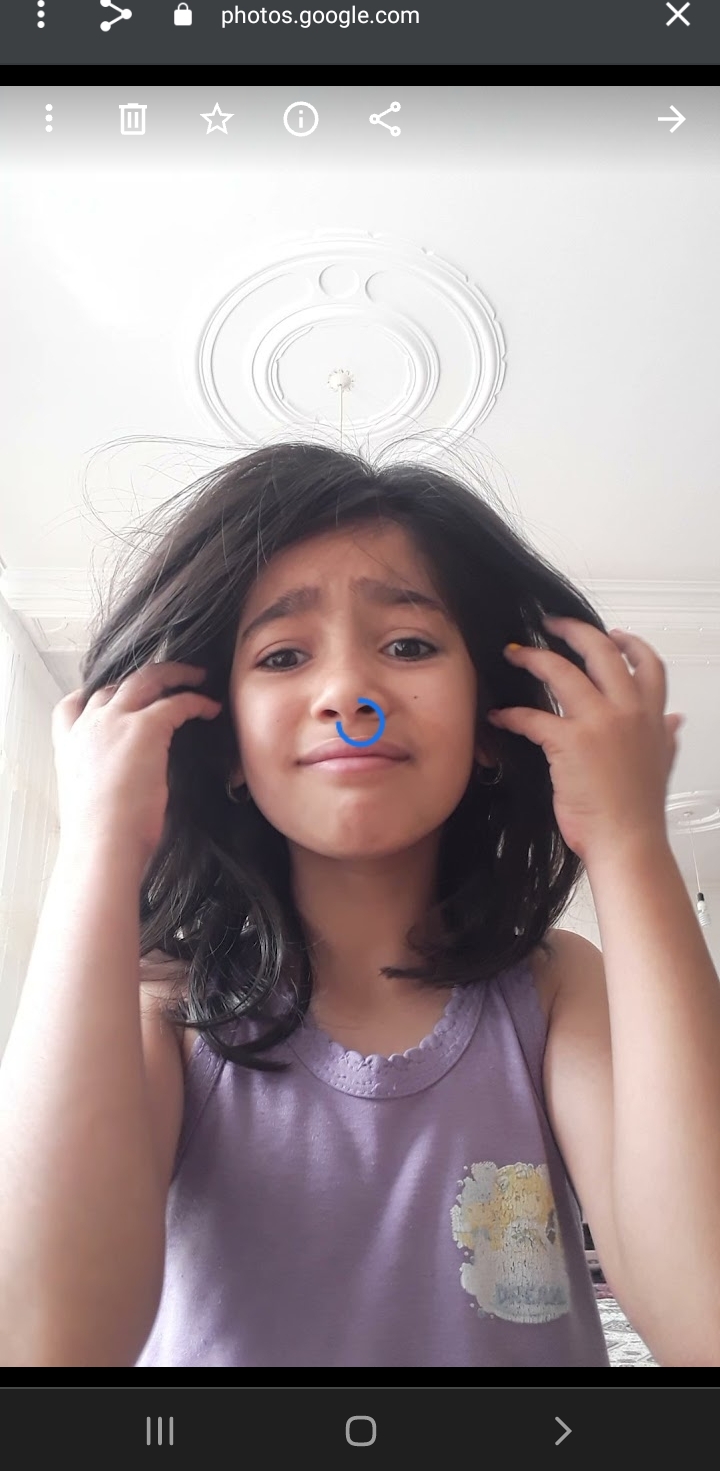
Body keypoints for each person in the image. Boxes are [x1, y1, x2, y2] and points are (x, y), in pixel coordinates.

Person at [0, 439, 679, 1366]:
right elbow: (43, 1347)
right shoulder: (159, 1008)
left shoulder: (559, 989)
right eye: (282, 655)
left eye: (408, 645)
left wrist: (632, 839)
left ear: (489, 725)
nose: (350, 693)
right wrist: (97, 844)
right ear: (229, 752)